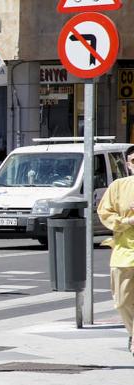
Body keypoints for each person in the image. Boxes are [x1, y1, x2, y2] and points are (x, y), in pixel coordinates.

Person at [97, 145, 134, 357]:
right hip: (124, 252)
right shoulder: (119, 186)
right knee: (121, 302)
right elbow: (105, 213)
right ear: (128, 164)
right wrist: (127, 220)